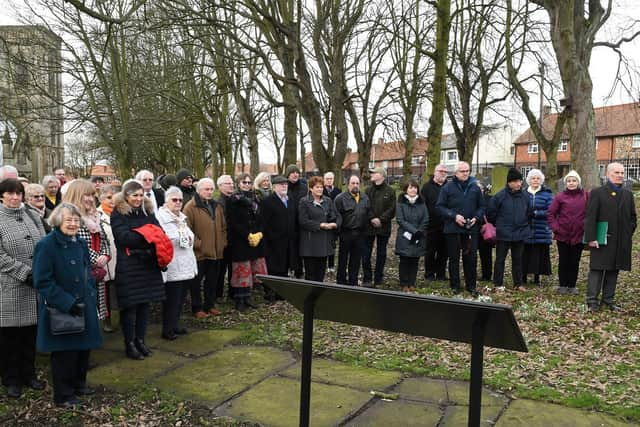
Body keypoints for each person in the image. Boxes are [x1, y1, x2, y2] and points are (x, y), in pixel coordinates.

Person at [32, 203, 102, 408]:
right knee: (65, 353)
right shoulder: (46, 245)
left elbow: (86, 269)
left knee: (83, 349)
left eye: (76, 220)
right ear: (57, 221)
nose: (72, 224)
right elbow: (42, 281)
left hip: (84, 303)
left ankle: (79, 385)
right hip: (62, 307)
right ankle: (63, 395)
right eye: (68, 219)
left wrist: (90, 290)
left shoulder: (79, 242)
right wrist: (66, 302)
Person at [0, 179, 46, 398]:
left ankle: (29, 374)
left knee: (30, 335)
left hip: (35, 285)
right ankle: (11, 379)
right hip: (10, 286)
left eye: (18, 193)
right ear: (1, 196)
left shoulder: (32, 215)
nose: (15, 198)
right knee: (11, 337)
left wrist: (42, 271)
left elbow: (44, 243)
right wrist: (24, 272)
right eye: (10, 194)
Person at [111, 180, 167, 360]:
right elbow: (124, 237)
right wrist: (147, 234)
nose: (138, 198)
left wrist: (146, 234)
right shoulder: (118, 213)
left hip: (147, 264)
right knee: (130, 307)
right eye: (134, 195)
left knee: (145, 305)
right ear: (126, 196)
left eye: (141, 195)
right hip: (129, 265)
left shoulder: (148, 211)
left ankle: (140, 340)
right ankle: (129, 344)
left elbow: (159, 233)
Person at [584, 162, 636, 312]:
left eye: (622, 173)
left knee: (614, 270)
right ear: (607, 174)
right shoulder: (597, 192)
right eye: (616, 172)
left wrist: (626, 233)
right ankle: (592, 301)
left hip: (620, 241)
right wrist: (591, 238)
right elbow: (590, 217)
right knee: (597, 270)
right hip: (602, 239)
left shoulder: (627, 194)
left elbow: (632, 218)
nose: (620, 175)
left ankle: (608, 300)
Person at [63, 180, 111, 325]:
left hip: (95, 274)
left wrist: (105, 255)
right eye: (86, 195)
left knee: (92, 315)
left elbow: (106, 241)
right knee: (80, 317)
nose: (91, 199)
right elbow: (73, 243)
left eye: (92, 195)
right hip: (78, 275)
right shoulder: (67, 217)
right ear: (76, 195)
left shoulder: (95, 217)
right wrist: (96, 258)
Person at [436, 162, 485, 297]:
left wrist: (477, 217)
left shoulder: (475, 187)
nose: (465, 173)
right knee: (454, 258)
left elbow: (482, 206)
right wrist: (454, 216)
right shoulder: (447, 188)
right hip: (453, 229)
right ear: (456, 173)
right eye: (462, 171)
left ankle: (471, 286)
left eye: (467, 171)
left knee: (471, 258)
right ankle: (455, 285)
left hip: (471, 229)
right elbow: (440, 207)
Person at [157, 187, 198, 339]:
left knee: (180, 299)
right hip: (173, 264)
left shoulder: (182, 218)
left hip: (186, 263)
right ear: (166, 201)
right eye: (174, 200)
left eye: (180, 200)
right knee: (171, 300)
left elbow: (189, 237)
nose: (178, 202)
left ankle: (175, 325)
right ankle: (167, 329)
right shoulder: (161, 218)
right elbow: (164, 240)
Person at [183, 178, 227, 318]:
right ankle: (197, 308)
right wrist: (199, 245)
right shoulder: (190, 207)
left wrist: (222, 242)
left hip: (216, 252)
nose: (209, 192)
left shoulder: (217, 206)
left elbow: (223, 227)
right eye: (206, 189)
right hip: (199, 253)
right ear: (199, 190)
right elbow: (186, 229)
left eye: (211, 189)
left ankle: (210, 305)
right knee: (196, 283)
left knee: (212, 281)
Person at [227, 174, 267, 312]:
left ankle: (248, 298)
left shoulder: (256, 198)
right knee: (241, 270)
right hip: (240, 240)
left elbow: (261, 218)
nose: (247, 184)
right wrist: (246, 234)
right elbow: (233, 221)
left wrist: (259, 233)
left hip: (255, 239)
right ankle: (239, 299)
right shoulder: (233, 200)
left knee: (252, 268)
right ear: (239, 183)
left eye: (249, 182)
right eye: (244, 182)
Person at [487, 168, 530, 291]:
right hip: (503, 233)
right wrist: (500, 225)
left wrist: (524, 224)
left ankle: (518, 283)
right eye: (515, 181)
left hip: (520, 232)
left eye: (520, 181)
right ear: (509, 182)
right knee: (500, 259)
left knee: (518, 259)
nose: (518, 184)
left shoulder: (525, 196)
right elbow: (491, 214)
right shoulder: (500, 196)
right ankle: (498, 284)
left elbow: (529, 212)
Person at [547, 170, 587, 295]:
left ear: (578, 182)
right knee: (564, 260)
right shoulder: (560, 197)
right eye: (569, 181)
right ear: (566, 183)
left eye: (574, 180)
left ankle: (572, 285)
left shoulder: (585, 196)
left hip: (578, 235)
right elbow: (550, 213)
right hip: (562, 235)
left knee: (575, 261)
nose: (571, 183)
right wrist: (556, 228)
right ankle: (563, 285)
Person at [261, 175, 298, 301]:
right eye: (281, 184)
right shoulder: (268, 201)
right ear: (274, 186)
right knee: (273, 268)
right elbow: (264, 223)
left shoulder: (290, 200)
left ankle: (281, 292)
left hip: (288, 241)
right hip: (273, 242)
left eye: (285, 184)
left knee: (285, 266)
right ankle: (270, 292)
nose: (284, 186)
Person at [298, 175, 341, 282]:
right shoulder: (304, 201)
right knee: (310, 275)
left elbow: (336, 215)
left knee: (320, 274)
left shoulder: (328, 200)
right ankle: (309, 297)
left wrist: (335, 224)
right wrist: (320, 225)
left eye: (321, 187)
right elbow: (303, 221)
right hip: (310, 244)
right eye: (317, 187)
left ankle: (318, 296)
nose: (320, 189)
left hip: (324, 243)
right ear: (311, 188)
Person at [334, 175, 371, 286]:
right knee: (343, 259)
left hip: (360, 234)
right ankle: (341, 282)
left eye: (357, 183)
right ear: (348, 184)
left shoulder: (365, 198)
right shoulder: (340, 198)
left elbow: (368, 214)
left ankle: (353, 282)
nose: (355, 185)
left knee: (355, 260)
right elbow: (336, 216)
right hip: (346, 233)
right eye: (353, 183)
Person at [362, 167, 396, 287]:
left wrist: (381, 219)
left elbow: (392, 209)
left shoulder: (390, 191)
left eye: (374, 173)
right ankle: (367, 278)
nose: (371, 174)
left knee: (381, 254)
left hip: (384, 227)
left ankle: (378, 278)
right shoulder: (367, 190)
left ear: (381, 175)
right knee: (366, 253)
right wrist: (372, 218)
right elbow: (365, 206)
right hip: (368, 227)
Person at [395, 179, 429, 292]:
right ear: (406, 190)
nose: (413, 189)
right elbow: (400, 220)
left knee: (415, 260)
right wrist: (414, 231)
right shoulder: (400, 202)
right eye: (410, 187)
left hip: (419, 236)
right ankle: (404, 283)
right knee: (404, 260)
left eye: (415, 187)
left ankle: (412, 282)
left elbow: (426, 219)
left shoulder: (422, 202)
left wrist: (419, 232)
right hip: (405, 236)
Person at [522, 169, 553, 286]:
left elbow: (550, 211)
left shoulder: (547, 194)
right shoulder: (523, 193)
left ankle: (536, 277)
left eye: (538, 178)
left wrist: (536, 213)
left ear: (541, 180)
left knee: (538, 254)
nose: (535, 180)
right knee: (525, 253)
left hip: (541, 228)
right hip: (526, 228)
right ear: (529, 180)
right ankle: (523, 276)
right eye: (533, 178)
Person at [97, 185, 119, 332]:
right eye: (108, 197)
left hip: (119, 258)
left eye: (114, 197)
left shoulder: (120, 213)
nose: (112, 201)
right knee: (104, 293)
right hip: (105, 258)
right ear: (101, 198)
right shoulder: (97, 215)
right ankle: (106, 320)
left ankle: (121, 318)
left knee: (119, 291)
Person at [420, 164, 448, 281]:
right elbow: (422, 206)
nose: (443, 173)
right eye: (441, 171)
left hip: (446, 225)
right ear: (435, 172)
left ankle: (441, 274)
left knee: (444, 252)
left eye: (445, 172)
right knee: (430, 252)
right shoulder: (426, 187)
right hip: (431, 226)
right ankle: (429, 274)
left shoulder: (450, 187)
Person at [216, 174, 235, 302]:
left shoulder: (235, 199)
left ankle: (232, 293)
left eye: (232, 183)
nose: (231, 185)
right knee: (221, 270)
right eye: (228, 183)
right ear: (220, 186)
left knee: (233, 268)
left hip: (234, 240)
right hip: (223, 240)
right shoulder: (218, 203)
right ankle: (218, 294)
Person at [286, 165, 307, 278]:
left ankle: (299, 271)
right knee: (290, 248)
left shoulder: (304, 188)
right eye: (292, 172)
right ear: (288, 174)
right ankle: (289, 269)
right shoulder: (284, 187)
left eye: (297, 172)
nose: (295, 174)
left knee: (300, 248)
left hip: (301, 223)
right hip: (288, 223)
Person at [323, 171, 341, 273]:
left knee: (332, 244)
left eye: (331, 179)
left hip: (334, 221)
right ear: (324, 179)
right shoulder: (320, 190)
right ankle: (323, 264)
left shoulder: (338, 191)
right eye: (327, 178)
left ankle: (331, 265)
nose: (329, 180)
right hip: (323, 221)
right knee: (323, 243)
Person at [476, 182, 493, 282]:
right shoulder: (470, 199)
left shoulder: (490, 199)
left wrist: (485, 224)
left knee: (486, 254)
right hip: (473, 229)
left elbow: (493, 213)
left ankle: (487, 275)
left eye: (480, 188)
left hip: (485, 230)